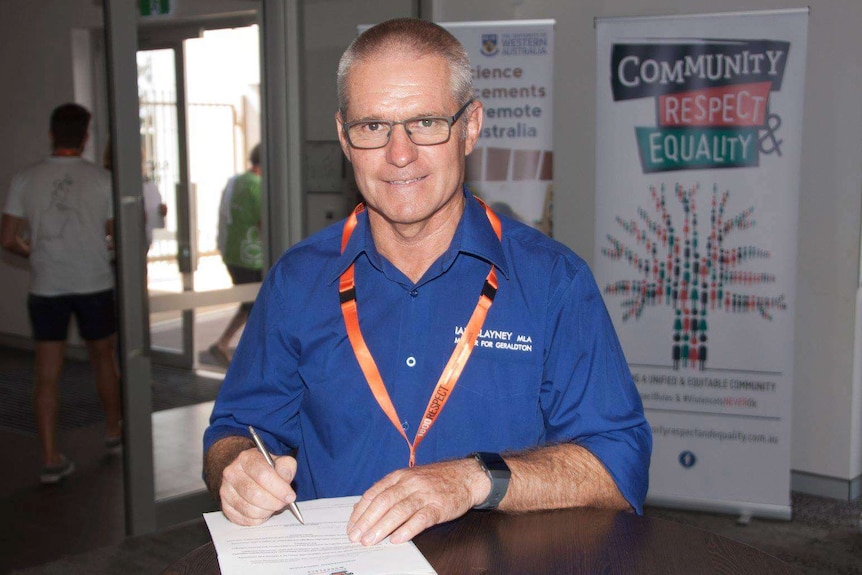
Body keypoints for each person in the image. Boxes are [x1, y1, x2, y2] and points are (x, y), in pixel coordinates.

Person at [203, 18, 651, 546]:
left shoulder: (552, 281)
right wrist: (236, 470)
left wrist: (474, 479)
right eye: (373, 126)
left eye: (426, 122)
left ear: (470, 126)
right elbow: (233, 430)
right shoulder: (296, 282)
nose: (399, 153)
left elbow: (618, 466)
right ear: (345, 137)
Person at [1, 103, 122, 483]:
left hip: (47, 287)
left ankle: (51, 457)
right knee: (104, 359)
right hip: (94, 283)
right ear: (85, 137)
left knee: (47, 372)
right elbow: (116, 236)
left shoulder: (26, 178)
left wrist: (34, 251)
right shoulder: (102, 180)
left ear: (52, 133)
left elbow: (8, 238)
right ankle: (114, 433)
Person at [209, 144, 262, 365]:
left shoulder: (236, 181)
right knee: (256, 306)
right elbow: (264, 221)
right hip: (252, 256)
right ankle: (247, 357)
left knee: (250, 303)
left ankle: (224, 343)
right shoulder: (257, 185)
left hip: (232, 253)